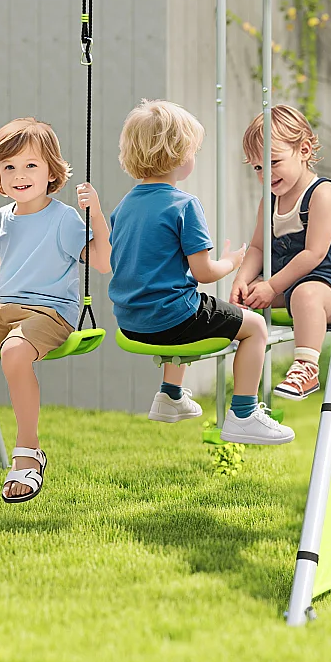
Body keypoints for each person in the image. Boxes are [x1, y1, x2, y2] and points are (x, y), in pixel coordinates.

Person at [0, 118, 110, 503]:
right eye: (9, 167)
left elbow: (101, 262)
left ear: (51, 171)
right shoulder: (3, 217)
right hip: (2, 309)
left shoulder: (64, 218)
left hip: (49, 313)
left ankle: (29, 451)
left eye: (31, 165)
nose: (20, 175)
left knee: (15, 351)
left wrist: (95, 212)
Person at [107, 99, 294, 445]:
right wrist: (232, 262)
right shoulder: (184, 205)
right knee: (254, 326)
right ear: (180, 156)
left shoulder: (124, 206)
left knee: (184, 299)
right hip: (172, 320)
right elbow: (205, 272)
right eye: (193, 150)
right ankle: (244, 415)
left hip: (131, 322)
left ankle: (170, 395)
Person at [229, 104, 331, 401]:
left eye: (273, 162)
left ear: (304, 150)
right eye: (258, 167)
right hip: (288, 282)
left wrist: (272, 286)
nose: (266, 174)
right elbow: (258, 247)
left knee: (305, 294)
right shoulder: (269, 201)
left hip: (330, 287)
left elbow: (314, 254)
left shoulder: (322, 194)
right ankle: (245, 383)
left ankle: (307, 368)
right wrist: (242, 280)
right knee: (249, 296)